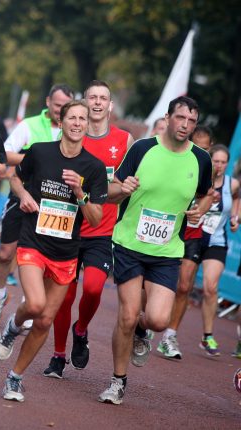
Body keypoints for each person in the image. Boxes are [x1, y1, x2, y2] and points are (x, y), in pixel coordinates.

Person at [98, 96, 213, 405]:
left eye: (191, 121)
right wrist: (122, 189)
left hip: (167, 250)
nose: (185, 125)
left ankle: (142, 328)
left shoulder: (201, 159)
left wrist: (200, 210)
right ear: (168, 117)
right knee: (127, 315)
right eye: (180, 118)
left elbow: (207, 195)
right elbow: (110, 192)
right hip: (129, 244)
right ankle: (117, 381)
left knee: (159, 320)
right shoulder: (142, 149)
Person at [0, 100, 107, 402]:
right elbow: (14, 177)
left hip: (66, 251)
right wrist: (23, 195)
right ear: (62, 121)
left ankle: (14, 378)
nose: (78, 123)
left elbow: (95, 218)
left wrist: (80, 192)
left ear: (88, 125)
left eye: (83, 119)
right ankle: (13, 326)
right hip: (33, 241)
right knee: (35, 304)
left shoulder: (94, 167)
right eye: (72, 117)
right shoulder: (41, 151)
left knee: (44, 321)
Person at [44, 81, 133, 378]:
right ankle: (58, 355)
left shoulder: (124, 140)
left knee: (93, 288)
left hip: (102, 230)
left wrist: (103, 192)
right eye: (92, 97)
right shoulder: (71, 135)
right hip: (67, 227)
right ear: (84, 102)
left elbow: (126, 186)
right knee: (64, 296)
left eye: (102, 98)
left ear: (110, 105)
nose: (97, 103)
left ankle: (80, 330)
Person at [0, 84, 75, 327]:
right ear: (48, 102)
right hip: (21, 194)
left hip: (54, 204)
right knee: (6, 253)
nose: (60, 110)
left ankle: (28, 302)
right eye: (57, 105)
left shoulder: (74, 130)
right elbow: (4, 154)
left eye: (65, 106)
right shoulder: (29, 125)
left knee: (40, 257)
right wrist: (37, 159)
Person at [164, 145, 239, 357]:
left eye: (223, 162)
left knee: (210, 287)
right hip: (194, 237)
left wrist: (235, 218)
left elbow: (236, 201)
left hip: (216, 240)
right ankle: (165, 328)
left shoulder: (232, 184)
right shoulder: (197, 178)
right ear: (209, 161)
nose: (219, 166)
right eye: (216, 161)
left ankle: (207, 335)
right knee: (183, 286)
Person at [156, 125, 213, 359]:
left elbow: (208, 195)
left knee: (184, 286)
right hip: (166, 229)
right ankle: (145, 323)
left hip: (191, 234)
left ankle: (169, 335)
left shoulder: (206, 166)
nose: (201, 151)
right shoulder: (177, 159)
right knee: (151, 283)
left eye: (205, 148)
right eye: (197, 146)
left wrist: (199, 211)